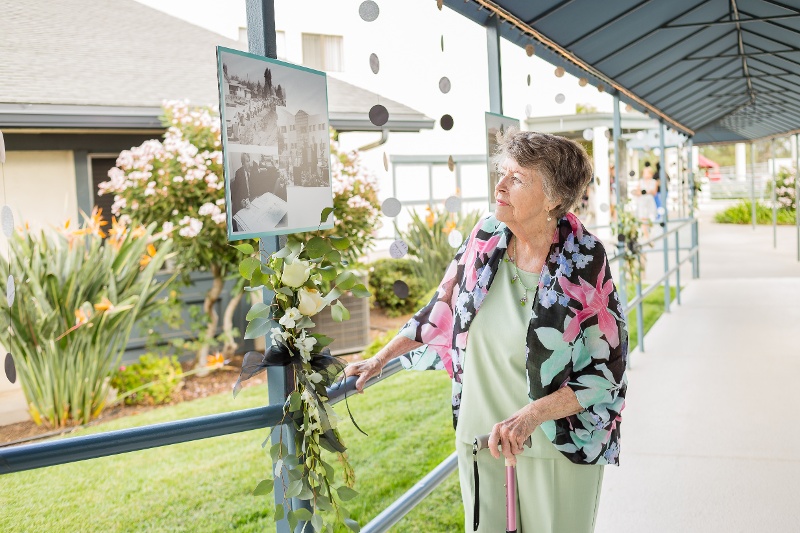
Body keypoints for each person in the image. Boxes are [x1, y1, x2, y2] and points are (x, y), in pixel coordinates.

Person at [345, 132, 628, 533]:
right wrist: (381, 357)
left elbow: (607, 373)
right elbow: (441, 307)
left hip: (555, 443)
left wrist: (531, 416)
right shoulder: (486, 237)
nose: (500, 186)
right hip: (480, 437)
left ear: (554, 198)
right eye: (503, 173)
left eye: (518, 178)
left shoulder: (584, 258)